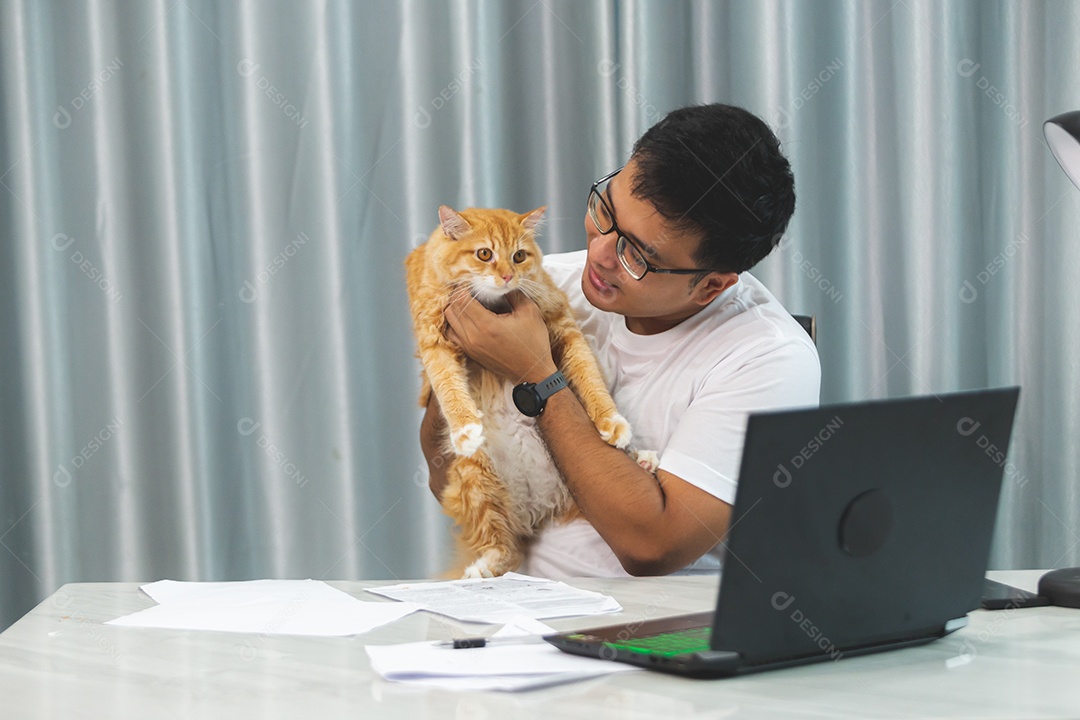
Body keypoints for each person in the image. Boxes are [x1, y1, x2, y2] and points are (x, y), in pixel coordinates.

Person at [421, 103, 820, 577]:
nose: (600, 252)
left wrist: (538, 377)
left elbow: (652, 546)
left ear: (712, 285)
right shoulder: (544, 285)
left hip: (653, 631)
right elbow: (444, 473)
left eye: (639, 254)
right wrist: (462, 361)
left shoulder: (769, 357)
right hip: (515, 616)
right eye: (604, 209)